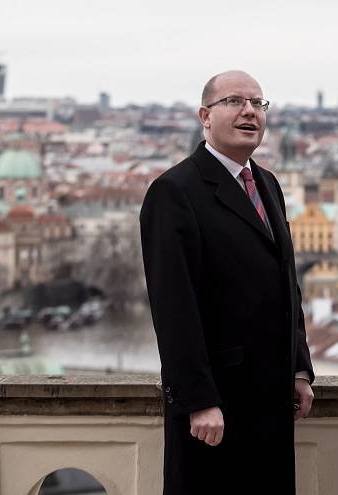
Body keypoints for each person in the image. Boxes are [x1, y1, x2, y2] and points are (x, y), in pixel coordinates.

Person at [140, 70, 314, 494]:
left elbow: (286, 285)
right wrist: (198, 399)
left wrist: (300, 367)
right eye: (235, 102)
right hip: (217, 406)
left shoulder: (268, 184)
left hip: (272, 400)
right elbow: (173, 307)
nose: (250, 111)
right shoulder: (174, 191)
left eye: (258, 103)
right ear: (205, 115)